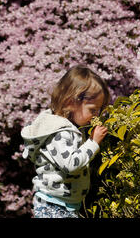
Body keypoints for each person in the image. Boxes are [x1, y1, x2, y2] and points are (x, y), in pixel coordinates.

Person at [21, 65, 111, 218]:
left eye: (99, 110)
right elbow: (71, 165)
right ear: (71, 102)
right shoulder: (60, 132)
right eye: (93, 110)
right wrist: (93, 143)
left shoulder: (69, 127)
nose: (97, 115)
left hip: (62, 204)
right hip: (53, 206)